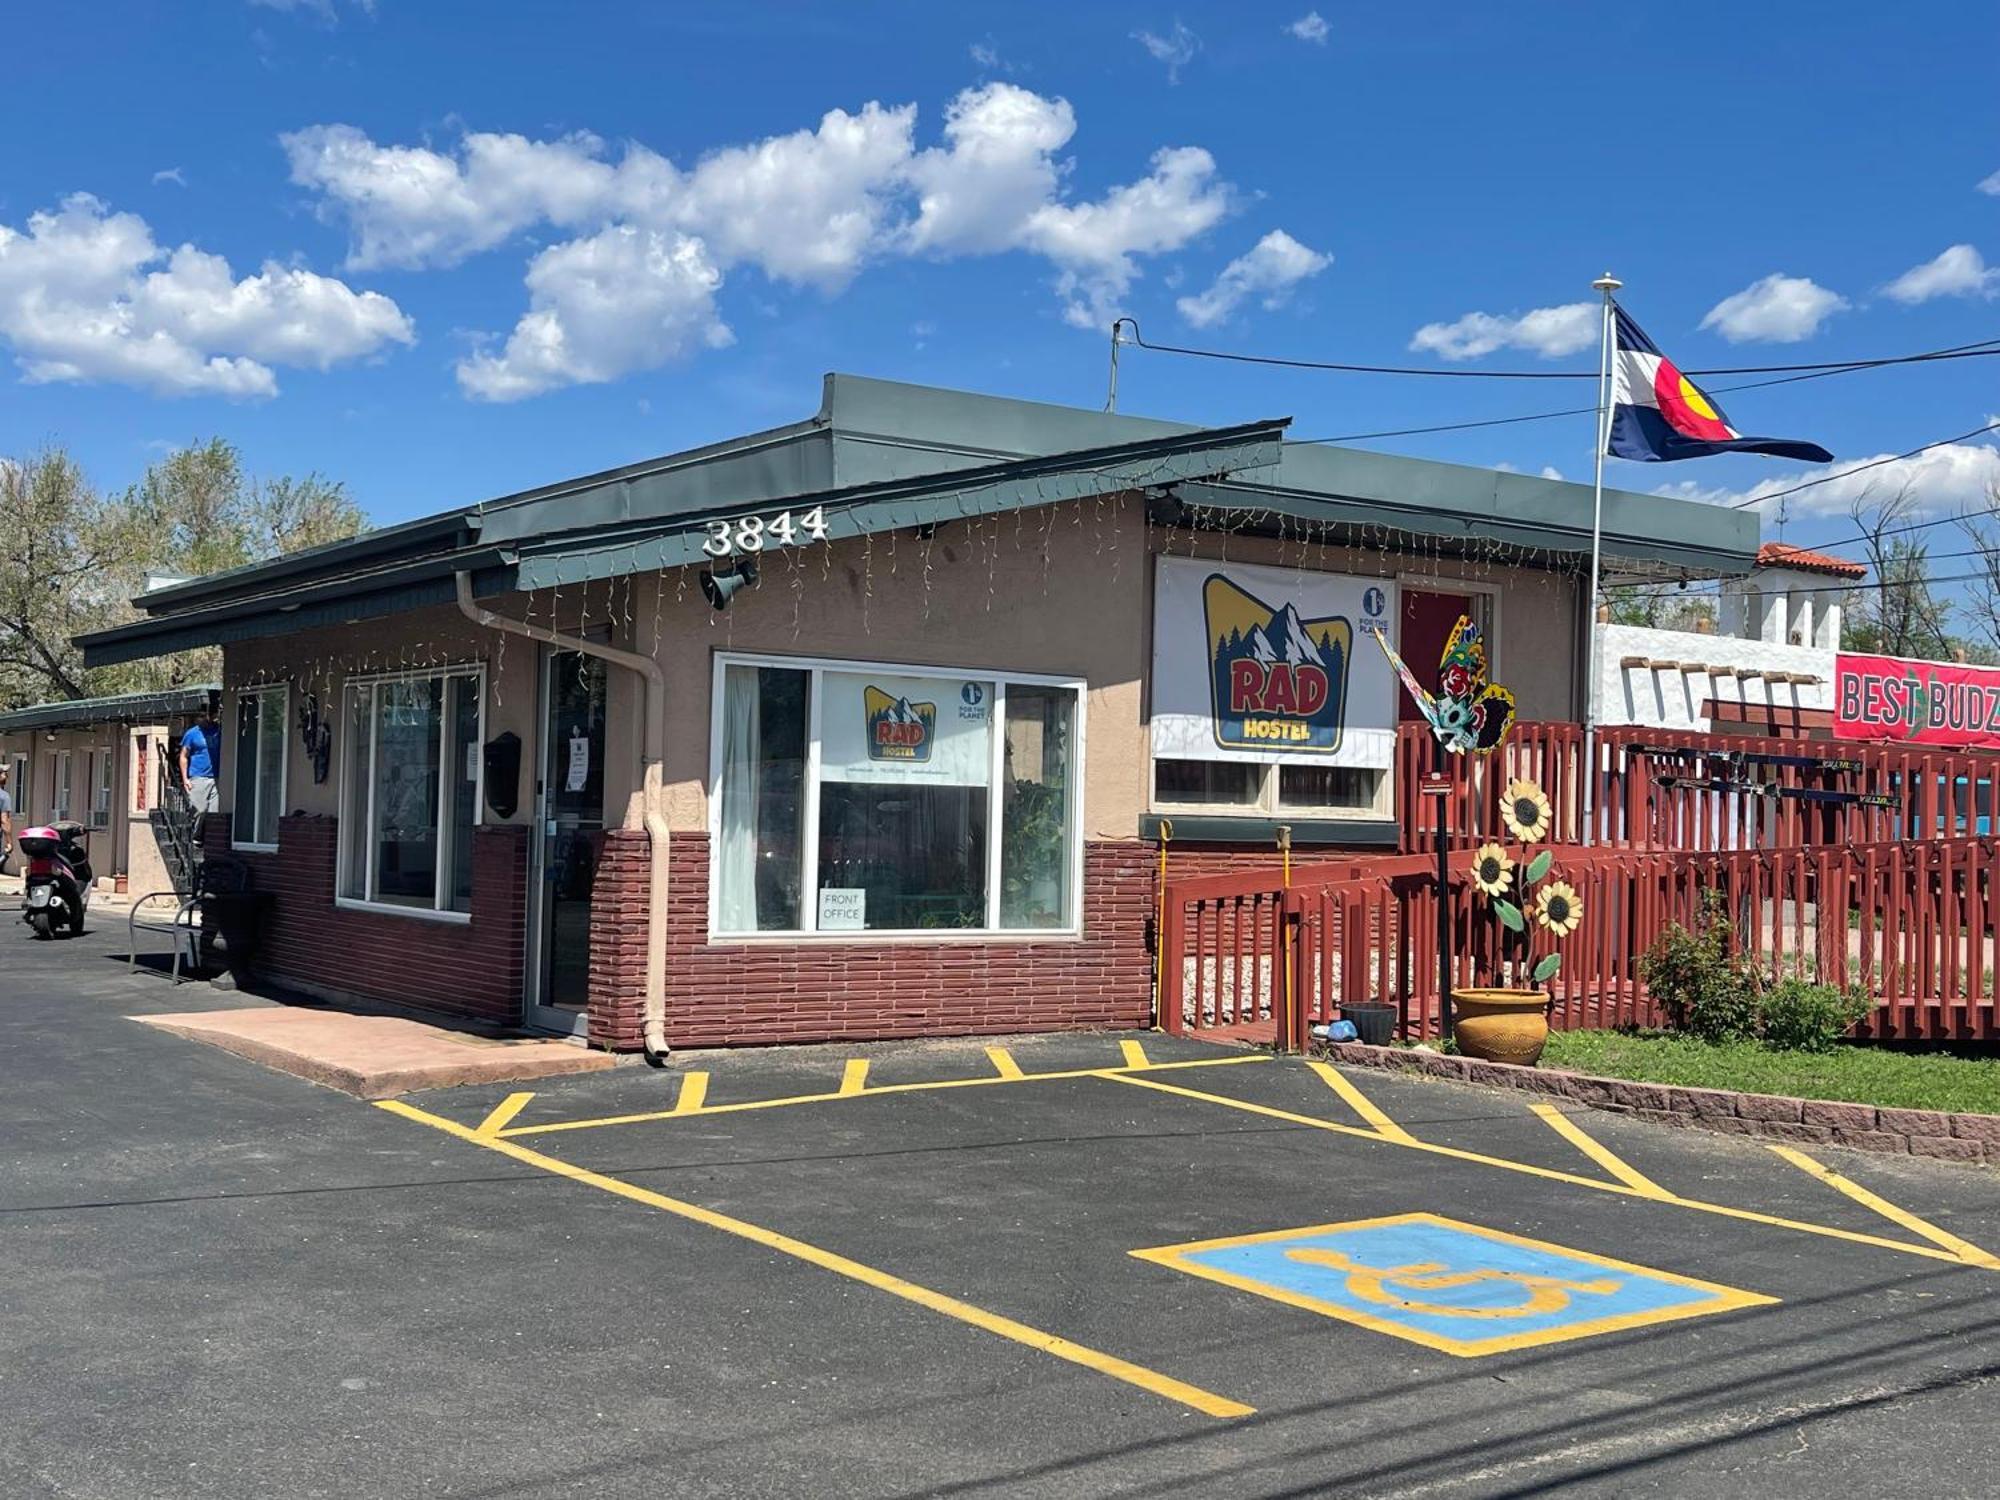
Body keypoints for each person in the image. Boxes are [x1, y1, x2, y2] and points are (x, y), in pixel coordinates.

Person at [180, 714, 221, 814]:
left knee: (214, 813)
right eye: (201, 716)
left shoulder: (219, 731)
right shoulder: (192, 733)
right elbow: (183, 756)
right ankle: (196, 830)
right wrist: (185, 779)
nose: (205, 718)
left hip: (217, 778)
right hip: (198, 777)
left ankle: (210, 830)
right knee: (198, 812)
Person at [0, 762, 13, 874]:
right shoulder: (3, 796)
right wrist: (9, 842)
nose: (6, 777)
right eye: (4, 773)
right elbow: (4, 820)